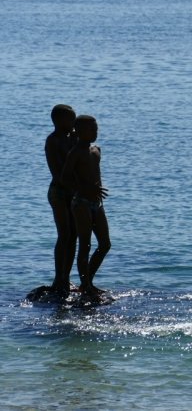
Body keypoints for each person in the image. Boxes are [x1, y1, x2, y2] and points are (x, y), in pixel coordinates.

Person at [61, 115, 110, 297]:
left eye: (96, 129)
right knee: (85, 245)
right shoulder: (75, 152)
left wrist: (94, 191)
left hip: (97, 202)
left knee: (105, 244)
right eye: (91, 129)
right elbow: (65, 177)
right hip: (81, 202)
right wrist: (84, 188)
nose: (95, 132)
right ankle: (86, 285)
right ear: (79, 131)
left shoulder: (96, 150)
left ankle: (87, 281)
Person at [45, 104, 78, 296]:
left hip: (73, 192)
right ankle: (59, 278)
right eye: (70, 119)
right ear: (58, 121)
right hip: (59, 192)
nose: (73, 123)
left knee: (74, 235)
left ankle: (66, 277)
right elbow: (57, 171)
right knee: (64, 234)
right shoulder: (53, 141)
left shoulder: (72, 138)